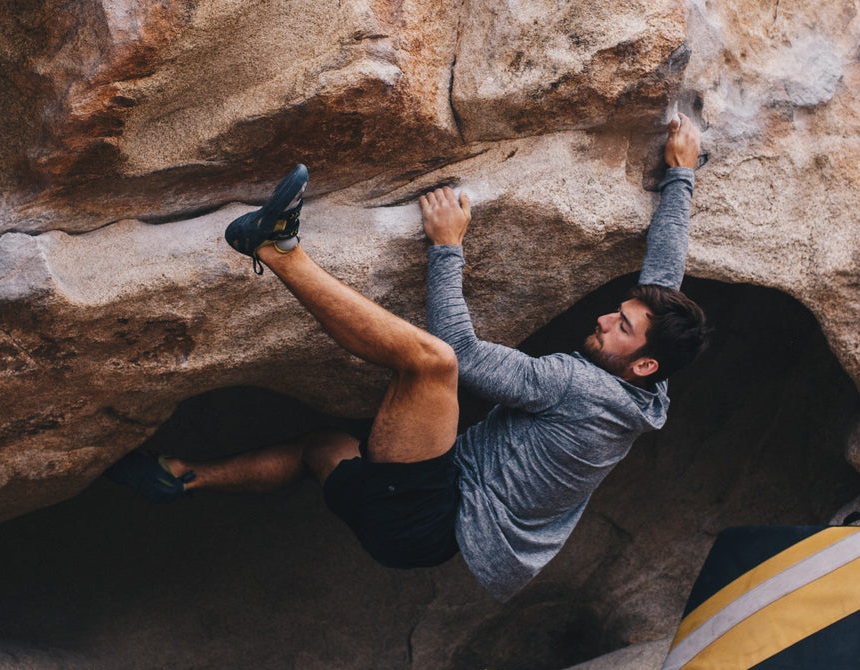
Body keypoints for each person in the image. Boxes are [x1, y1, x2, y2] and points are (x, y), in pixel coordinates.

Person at [106, 114, 709, 600]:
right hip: (415, 535)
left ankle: (274, 247)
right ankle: (182, 477)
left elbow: (466, 354)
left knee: (434, 364)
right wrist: (681, 174)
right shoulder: (643, 388)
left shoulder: (582, 388)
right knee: (321, 448)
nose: (606, 317)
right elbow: (663, 281)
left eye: (621, 325)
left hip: (430, 514)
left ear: (644, 362)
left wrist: (447, 247)